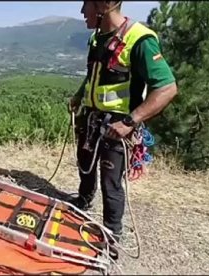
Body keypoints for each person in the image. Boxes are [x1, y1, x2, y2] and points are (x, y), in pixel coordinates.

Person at [68, 0, 178, 255]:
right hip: (91, 117)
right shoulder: (99, 37)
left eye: (86, 5)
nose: (82, 12)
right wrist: (78, 96)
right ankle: (82, 202)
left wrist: (130, 121)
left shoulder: (139, 39)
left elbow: (167, 88)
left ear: (102, 6)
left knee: (110, 181)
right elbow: (94, 74)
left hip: (117, 125)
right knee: (84, 163)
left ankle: (111, 235)